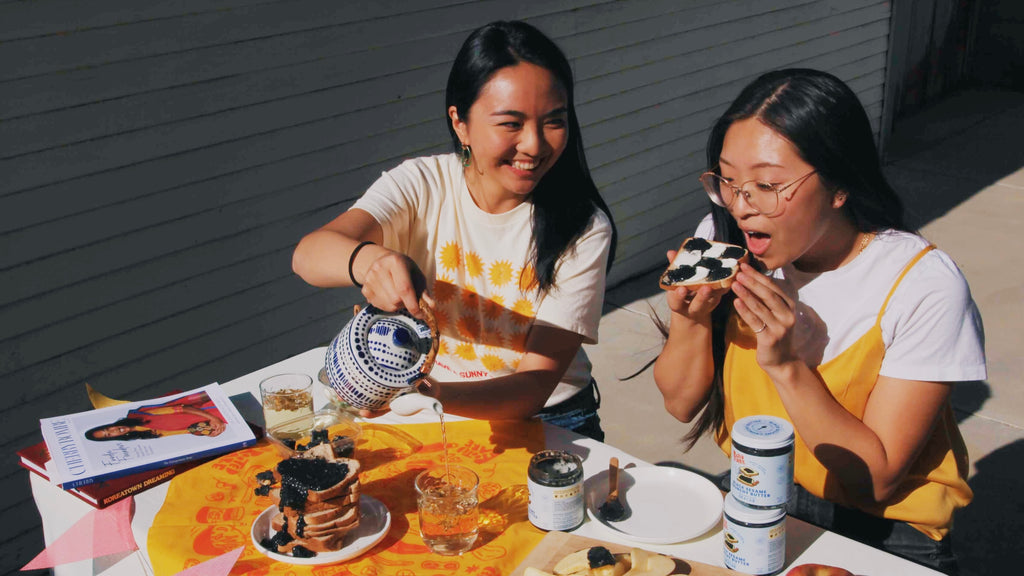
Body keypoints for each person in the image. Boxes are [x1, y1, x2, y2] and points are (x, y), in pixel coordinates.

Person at [653, 69, 985, 574]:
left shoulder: (923, 285)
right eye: (728, 180)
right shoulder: (722, 239)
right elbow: (680, 404)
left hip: (887, 531)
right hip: (758, 488)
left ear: (840, 185)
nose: (742, 206)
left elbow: (876, 481)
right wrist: (690, 321)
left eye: (767, 184)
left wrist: (788, 366)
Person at [292, 21, 617, 440]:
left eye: (554, 121)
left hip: (549, 421)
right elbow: (308, 256)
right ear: (460, 123)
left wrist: (429, 395)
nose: (535, 144)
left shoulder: (584, 227)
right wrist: (371, 262)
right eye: (511, 123)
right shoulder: (420, 184)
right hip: (431, 409)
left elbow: (535, 387)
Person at [85, 391, 227, 441]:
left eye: (108, 429)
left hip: (213, 408)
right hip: (219, 421)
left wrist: (212, 418)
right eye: (108, 435)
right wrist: (208, 432)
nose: (113, 431)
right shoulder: (149, 435)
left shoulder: (139, 415)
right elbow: (187, 430)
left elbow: (183, 408)